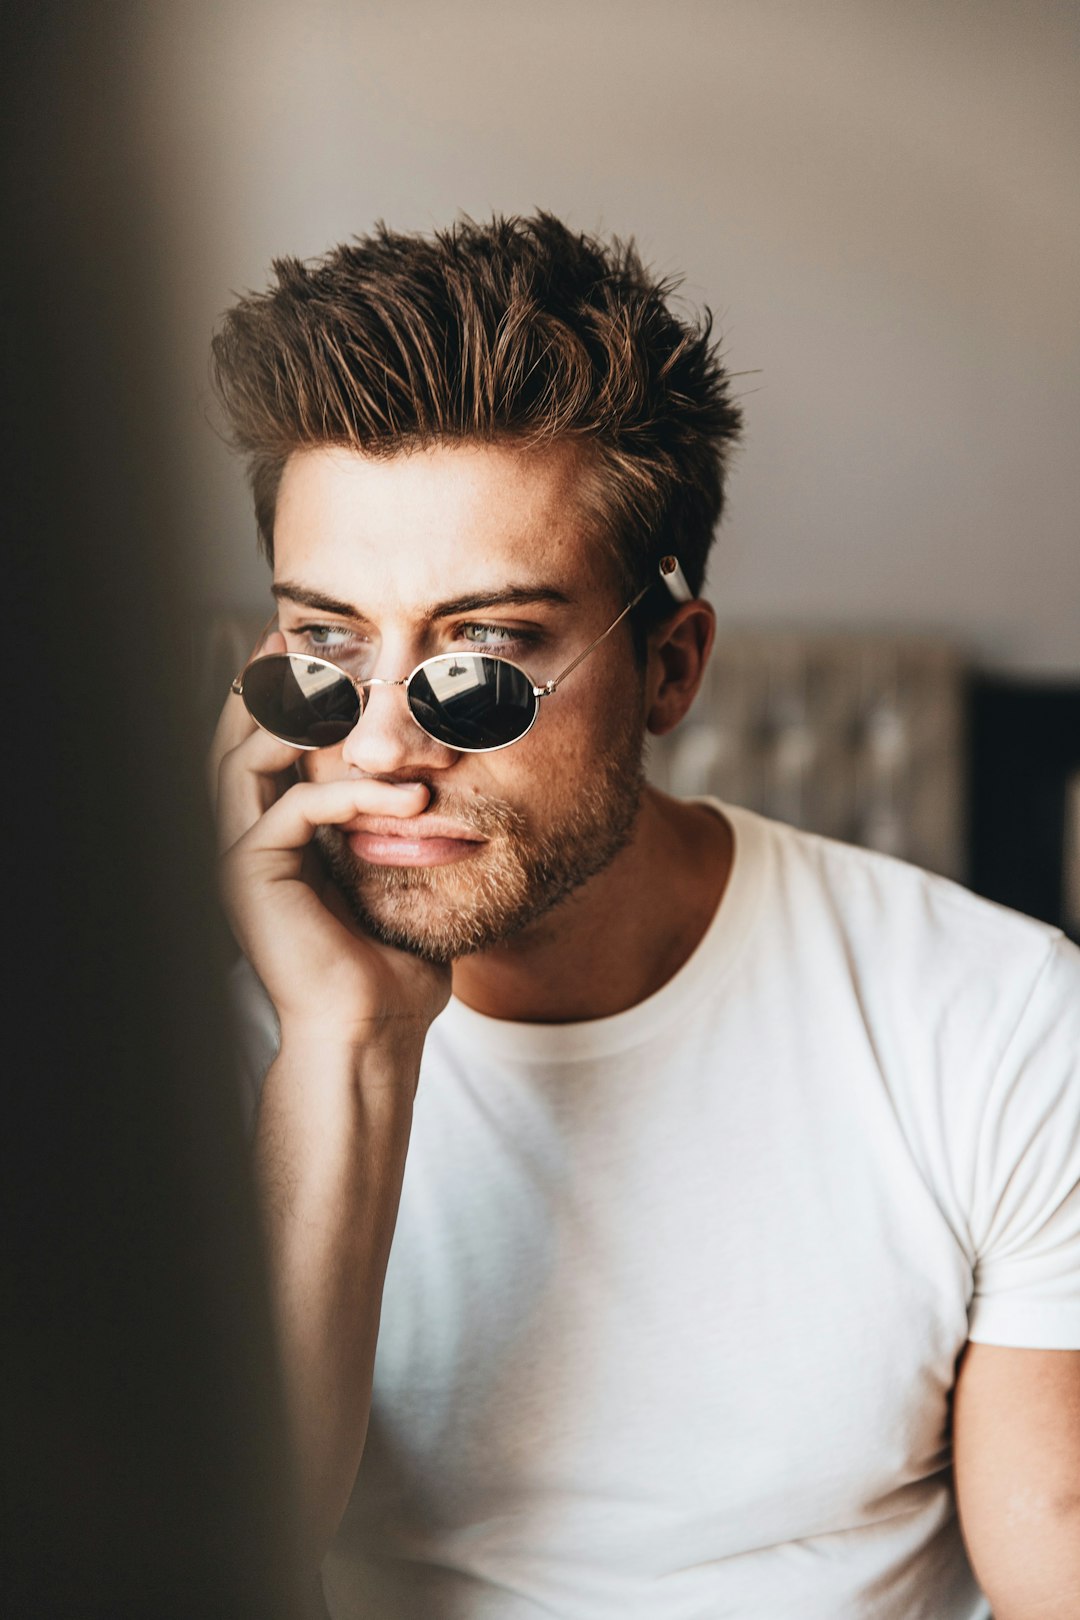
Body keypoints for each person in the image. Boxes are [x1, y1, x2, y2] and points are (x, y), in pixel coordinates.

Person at [208, 214, 1080, 1620]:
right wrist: (346, 1052)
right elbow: (182, 1566)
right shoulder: (167, 1051)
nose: (378, 750)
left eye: (481, 659)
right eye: (322, 652)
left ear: (669, 670)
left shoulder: (998, 1025)